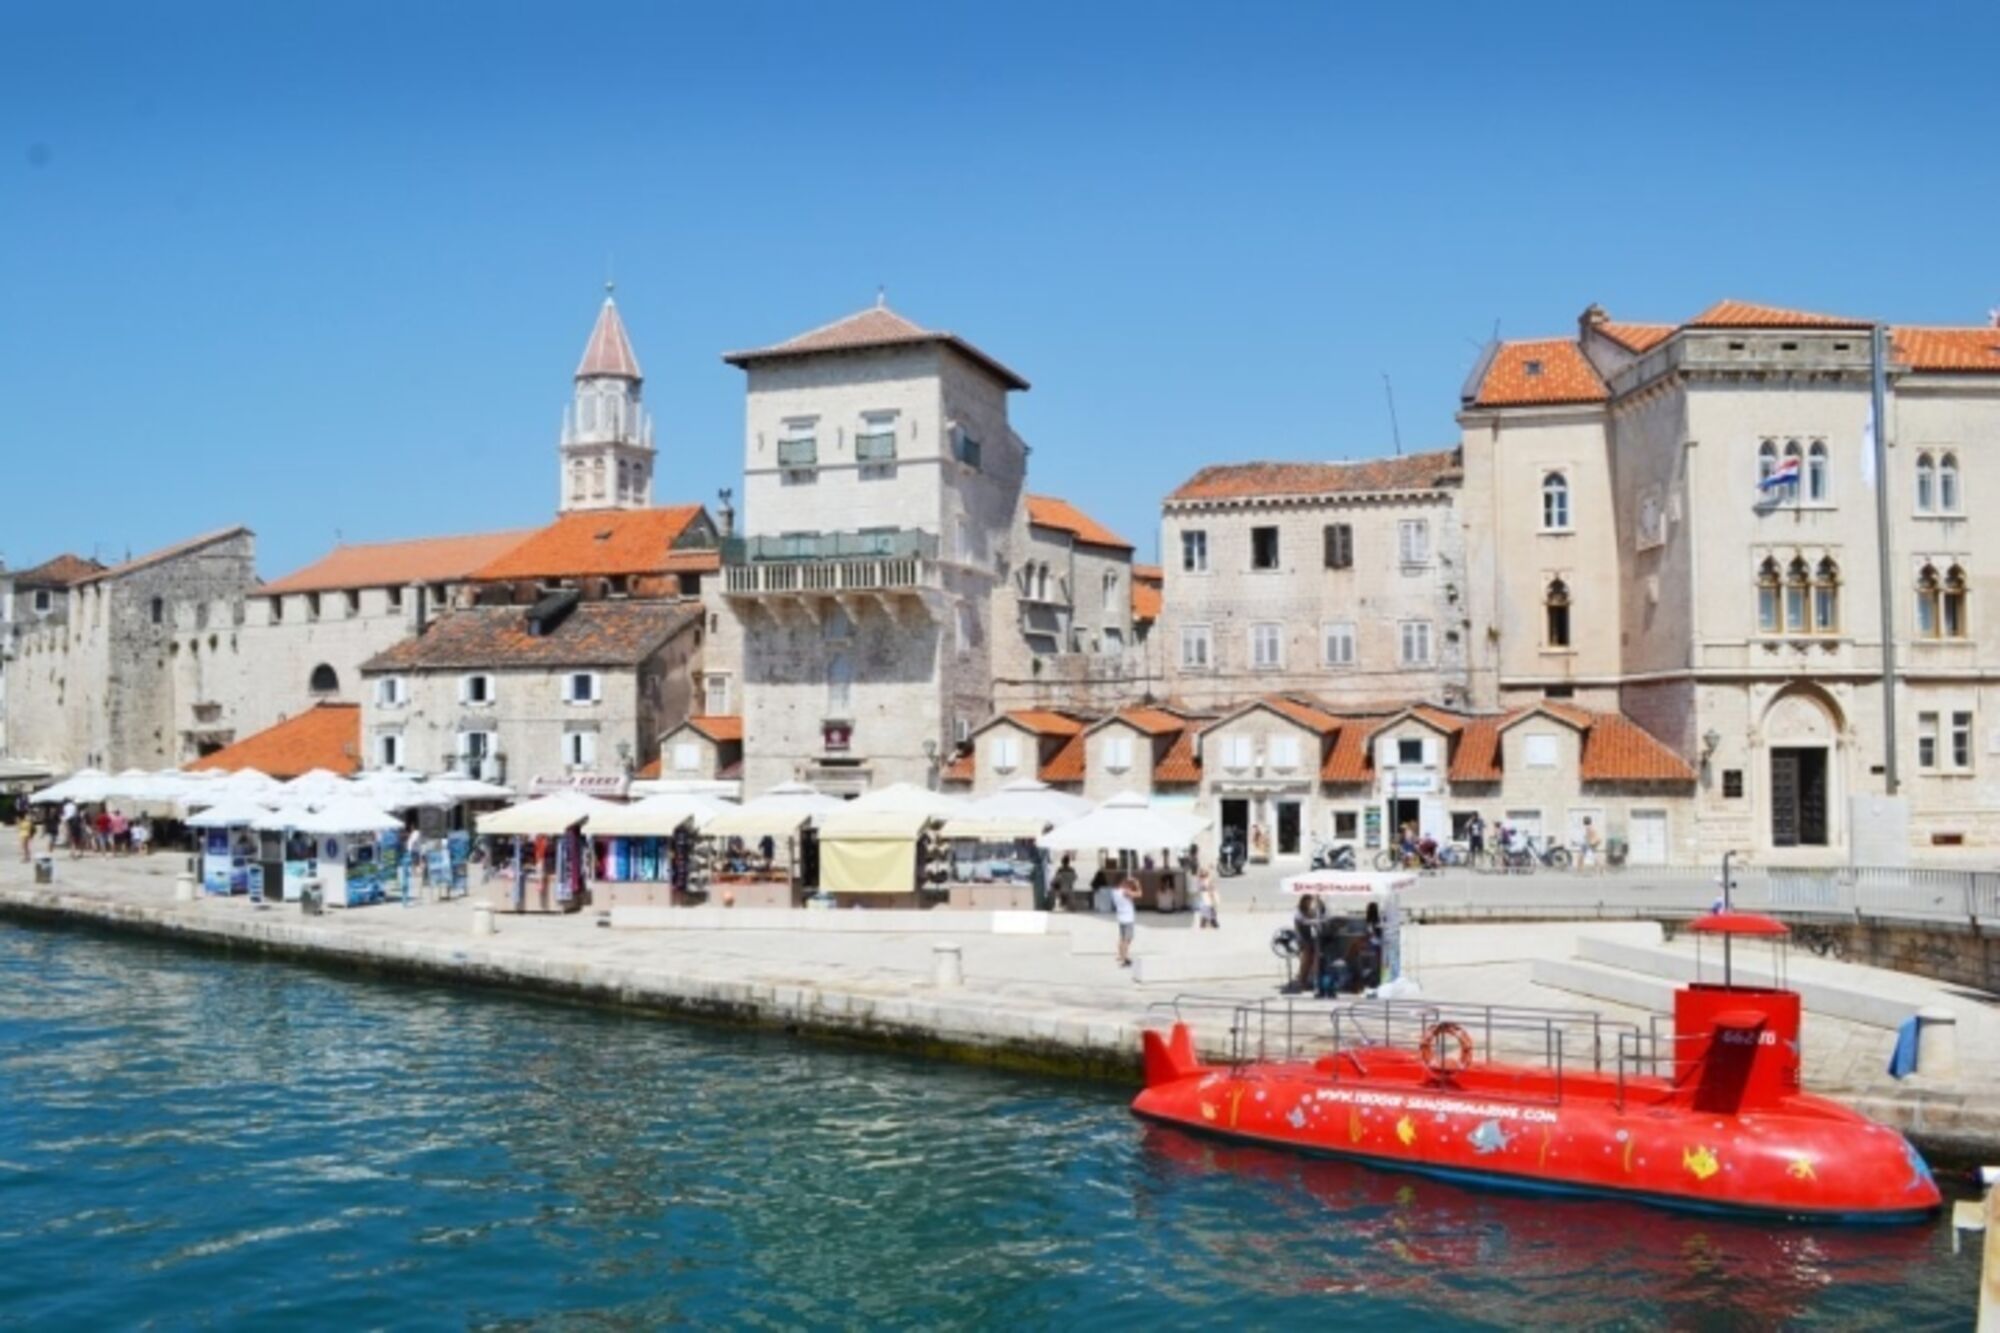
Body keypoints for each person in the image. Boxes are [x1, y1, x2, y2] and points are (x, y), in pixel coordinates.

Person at [1291, 893, 1323, 993]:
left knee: (1311, 960)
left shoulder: (1308, 910)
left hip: (1308, 939)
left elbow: (1318, 913)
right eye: (1308, 902)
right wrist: (1316, 921)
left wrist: (1319, 902)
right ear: (1303, 901)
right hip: (1302, 940)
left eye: (1310, 902)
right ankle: (1302, 981)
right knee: (1305, 961)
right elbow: (1303, 921)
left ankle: (1306, 980)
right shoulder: (1298, 912)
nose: (1309, 904)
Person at [1114, 875, 1140, 968]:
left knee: (1122, 938)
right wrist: (1137, 884)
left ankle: (1121, 955)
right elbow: (1139, 894)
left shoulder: (1115, 892)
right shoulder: (1125, 892)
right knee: (1127, 939)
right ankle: (1125, 958)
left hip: (1121, 917)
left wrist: (1130, 886)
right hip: (1128, 918)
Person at [1195, 865, 1218, 930]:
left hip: (1208, 896)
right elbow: (1199, 888)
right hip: (1203, 897)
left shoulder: (1208, 879)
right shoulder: (1199, 880)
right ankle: (1204, 922)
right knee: (1204, 910)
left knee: (1211, 909)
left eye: (1204, 871)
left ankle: (1212, 922)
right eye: (1202, 871)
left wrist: (1211, 892)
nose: (1203, 873)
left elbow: (1212, 886)